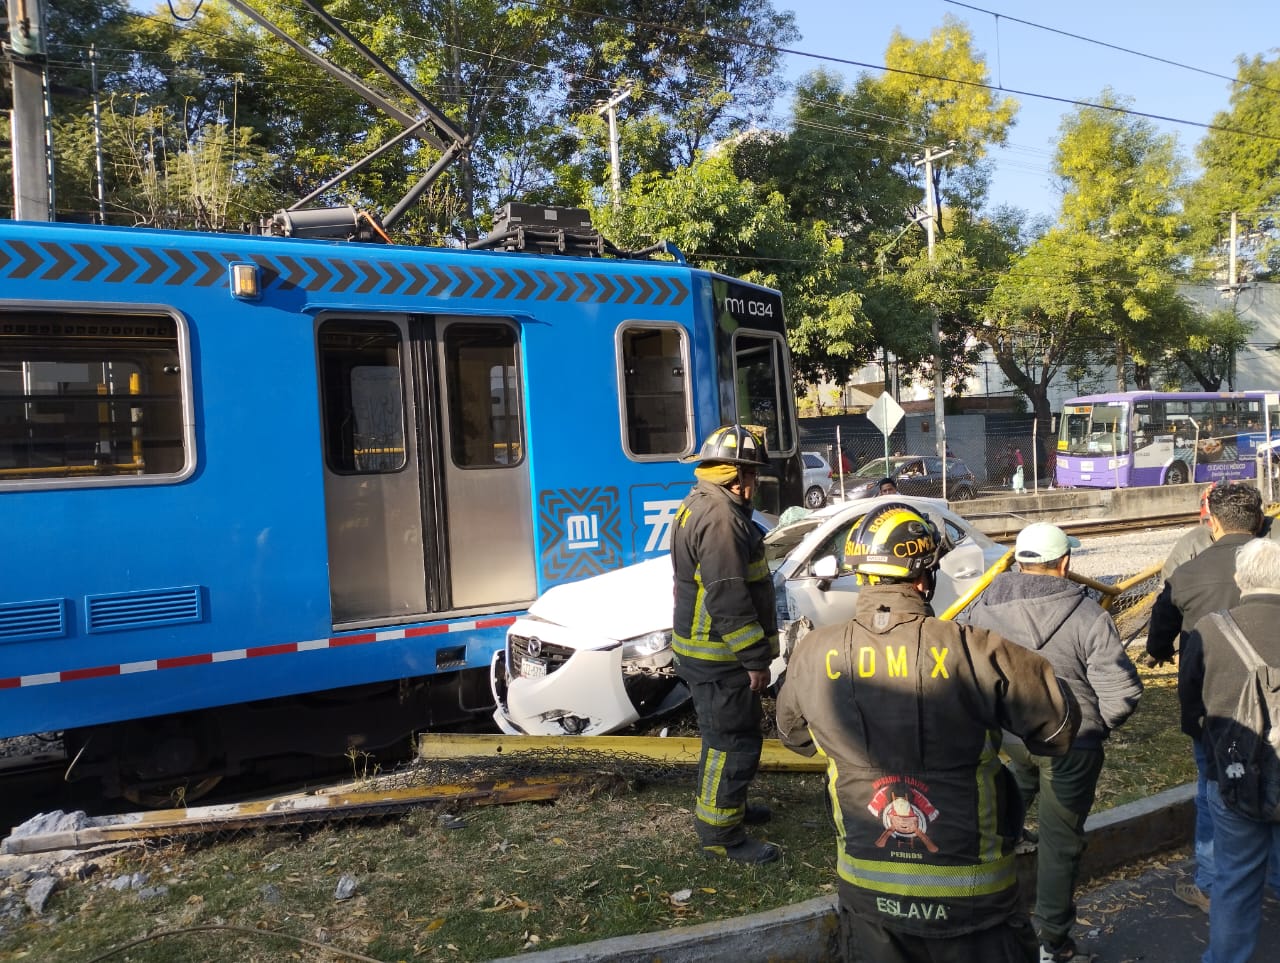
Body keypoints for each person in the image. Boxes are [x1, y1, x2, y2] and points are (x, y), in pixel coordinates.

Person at [776, 501, 1081, 963]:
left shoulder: (811, 653)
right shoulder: (977, 651)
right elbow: (1056, 731)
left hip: (868, 903)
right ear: (924, 578)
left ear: (860, 576)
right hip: (974, 906)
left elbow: (795, 737)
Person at [965, 523, 1143, 962]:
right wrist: (1093, 728)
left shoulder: (981, 611)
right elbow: (1121, 692)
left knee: (1003, 813)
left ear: (1019, 561)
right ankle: (1053, 943)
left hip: (1011, 737)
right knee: (1060, 843)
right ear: (1064, 563)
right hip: (1072, 745)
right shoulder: (1088, 616)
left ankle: (982, 914)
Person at [1147, 482, 1266, 913]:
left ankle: (1213, 885)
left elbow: (1160, 633)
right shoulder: (1272, 561)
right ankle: (1271, 878)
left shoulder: (1188, 573)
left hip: (1211, 704)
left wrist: (1159, 653)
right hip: (1272, 699)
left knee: (1213, 788)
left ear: (1212, 522)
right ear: (1258, 518)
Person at [671, 424, 780, 864]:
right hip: (720, 658)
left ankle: (727, 807)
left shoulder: (699, 502)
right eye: (751, 473)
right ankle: (721, 834)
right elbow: (729, 597)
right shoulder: (721, 519)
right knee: (732, 743)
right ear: (737, 475)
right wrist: (755, 659)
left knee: (722, 737)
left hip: (706, 653)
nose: (753, 483)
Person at [1180, 538, 1280, 963]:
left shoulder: (1211, 630)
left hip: (1236, 772)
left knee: (1235, 878)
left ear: (1241, 581)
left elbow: (1190, 704)